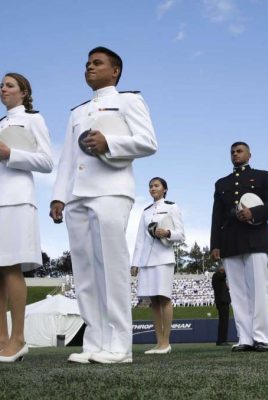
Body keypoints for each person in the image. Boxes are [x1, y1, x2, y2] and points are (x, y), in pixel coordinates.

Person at [50, 47, 157, 364]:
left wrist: (110, 143)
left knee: (111, 269)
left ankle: (120, 346)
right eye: (87, 63)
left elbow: (148, 141)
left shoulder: (129, 101)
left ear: (116, 71)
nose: (89, 67)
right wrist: (59, 195)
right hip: (77, 196)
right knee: (85, 273)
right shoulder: (77, 112)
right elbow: (67, 158)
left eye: (97, 63)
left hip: (111, 190)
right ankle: (94, 342)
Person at [210, 141, 268, 352]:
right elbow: (217, 217)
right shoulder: (221, 183)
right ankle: (245, 338)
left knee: (258, 290)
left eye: (239, 151)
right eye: (232, 152)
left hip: (255, 239)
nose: (235, 154)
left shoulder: (263, 176)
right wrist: (215, 244)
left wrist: (255, 213)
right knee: (238, 293)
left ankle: (260, 337)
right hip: (230, 242)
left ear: (249, 154)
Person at [0, 73, 53, 362]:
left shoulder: (33, 120)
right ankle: (1, 339)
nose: (3, 89)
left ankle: (18, 339)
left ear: (23, 92)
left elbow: (46, 161)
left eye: (9, 85)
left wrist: (11, 154)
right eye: (1, 85)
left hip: (17, 199)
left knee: (10, 268)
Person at [132, 177, 184, 354]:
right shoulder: (145, 211)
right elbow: (140, 238)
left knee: (164, 297)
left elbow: (181, 234)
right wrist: (135, 262)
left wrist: (168, 232)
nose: (152, 189)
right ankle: (159, 342)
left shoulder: (171, 207)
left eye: (156, 186)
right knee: (153, 300)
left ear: (165, 189)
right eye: (150, 186)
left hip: (164, 257)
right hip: (147, 259)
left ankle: (166, 342)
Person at [212, 264, 231, 346]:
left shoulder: (221, 278)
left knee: (224, 322)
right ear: (220, 269)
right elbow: (224, 275)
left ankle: (223, 339)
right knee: (223, 322)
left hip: (224, 302)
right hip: (222, 302)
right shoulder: (216, 275)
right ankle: (221, 340)